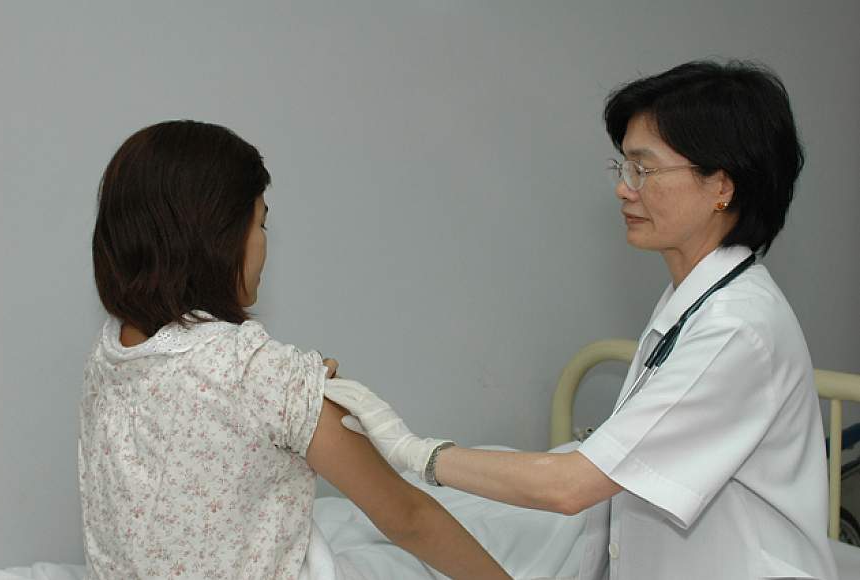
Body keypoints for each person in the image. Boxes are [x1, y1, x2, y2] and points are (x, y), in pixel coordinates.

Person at [326, 61, 839, 579]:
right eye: (623, 168)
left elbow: (571, 485)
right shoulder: (692, 301)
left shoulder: (738, 328)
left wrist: (413, 452)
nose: (624, 187)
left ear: (721, 185)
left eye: (645, 169)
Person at [79, 120, 510, 579]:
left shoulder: (110, 355)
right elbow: (409, 518)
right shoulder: (256, 371)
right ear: (216, 237)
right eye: (260, 223)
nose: (265, 243)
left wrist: (296, 398)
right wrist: (295, 390)